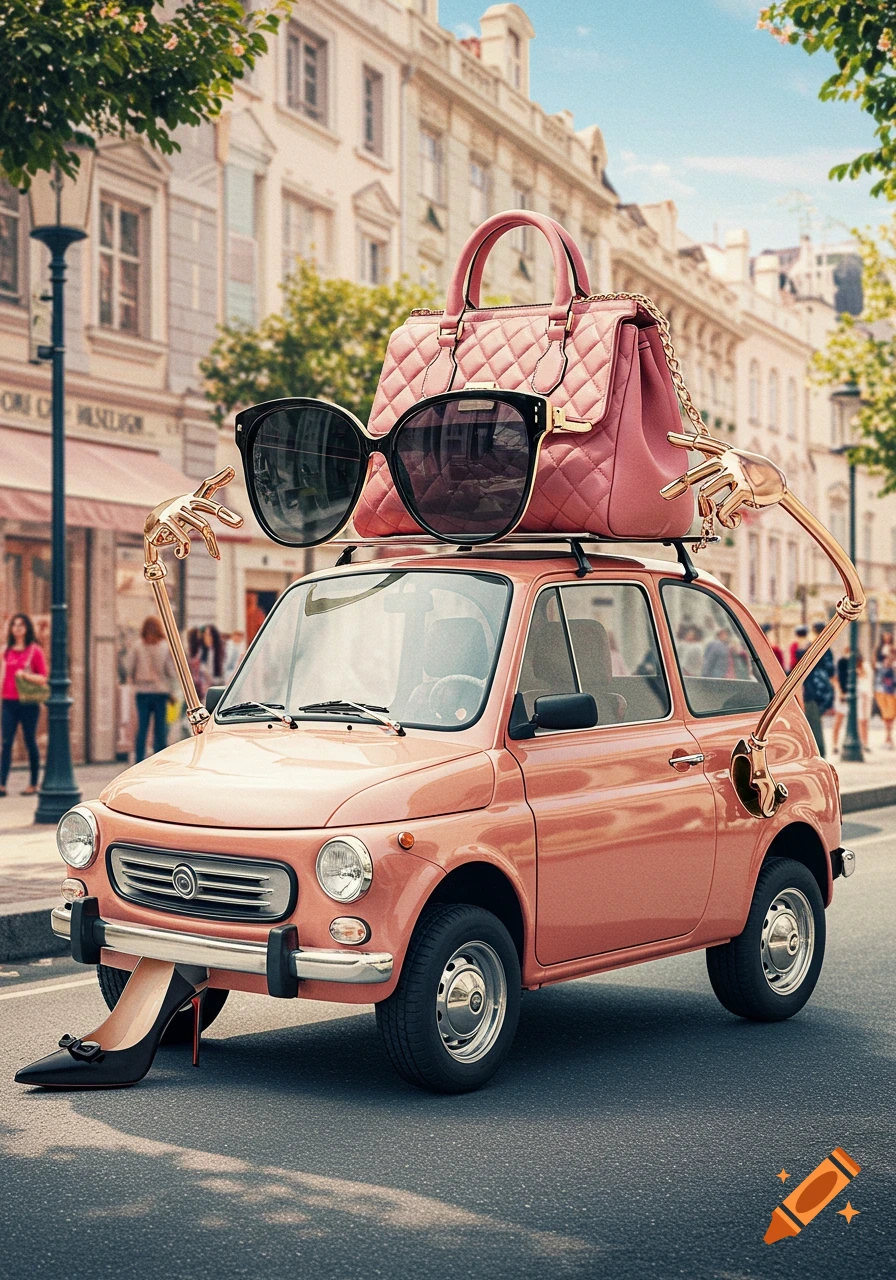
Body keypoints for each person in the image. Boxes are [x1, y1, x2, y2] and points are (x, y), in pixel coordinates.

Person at [0, 613, 48, 797]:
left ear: (27, 628)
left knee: (30, 741)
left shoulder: (34, 650)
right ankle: (2, 784)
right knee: (6, 742)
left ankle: (34, 783)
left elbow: (43, 677)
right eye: (14, 625)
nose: (17, 628)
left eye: (21, 625)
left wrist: (25, 675)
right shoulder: (7, 651)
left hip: (28, 702)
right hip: (9, 701)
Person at [127, 616, 176, 763]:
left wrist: (135, 678)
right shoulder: (164, 647)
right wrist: (172, 689)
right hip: (161, 691)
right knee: (160, 728)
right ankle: (158, 758)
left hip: (142, 691)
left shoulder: (137, 646)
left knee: (142, 726)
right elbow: (170, 671)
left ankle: (139, 758)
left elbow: (129, 667)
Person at [874, 643, 896, 749]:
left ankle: (889, 737)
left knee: (890, 717)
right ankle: (888, 737)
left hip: (891, 693)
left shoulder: (893, 667)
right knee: (887, 717)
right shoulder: (881, 667)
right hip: (883, 693)